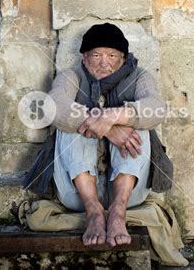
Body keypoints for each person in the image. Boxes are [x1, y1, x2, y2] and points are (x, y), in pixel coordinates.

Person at [48, 23, 166, 247]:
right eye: (96, 55)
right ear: (84, 57)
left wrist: (115, 116)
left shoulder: (140, 76)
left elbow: (156, 107)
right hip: (76, 194)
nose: (104, 63)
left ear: (123, 57)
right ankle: (94, 214)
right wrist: (109, 128)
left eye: (112, 55)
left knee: (139, 122)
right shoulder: (71, 76)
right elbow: (54, 105)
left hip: (130, 194)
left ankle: (117, 214)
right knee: (73, 121)